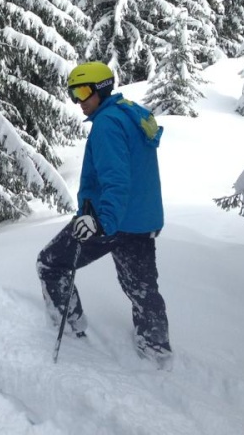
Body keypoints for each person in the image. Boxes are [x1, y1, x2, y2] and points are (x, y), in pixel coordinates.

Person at [37, 61, 172, 368]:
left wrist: (101, 222)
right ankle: (156, 351)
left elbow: (116, 179)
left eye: (83, 92)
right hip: (140, 222)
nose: (78, 101)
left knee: (51, 263)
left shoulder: (108, 124)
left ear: (101, 89)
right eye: (73, 93)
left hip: (110, 221)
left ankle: (70, 331)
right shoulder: (128, 113)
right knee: (142, 289)